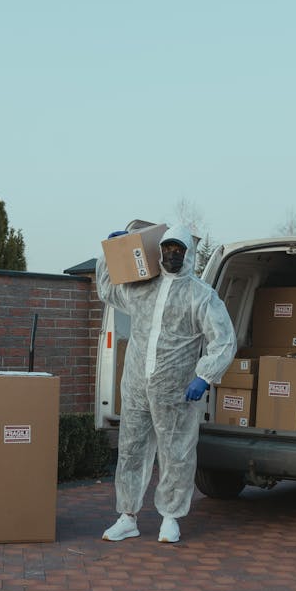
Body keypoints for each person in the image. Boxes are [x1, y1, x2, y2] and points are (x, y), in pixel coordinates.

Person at [97, 224, 236, 544]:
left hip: (176, 390)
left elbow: (224, 339)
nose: (172, 255)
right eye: (168, 249)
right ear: (159, 251)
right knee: (131, 449)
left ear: (188, 253)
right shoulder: (143, 288)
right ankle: (127, 516)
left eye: (179, 250)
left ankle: (171, 518)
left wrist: (205, 376)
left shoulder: (201, 295)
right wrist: (109, 253)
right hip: (135, 386)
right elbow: (108, 289)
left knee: (177, 453)